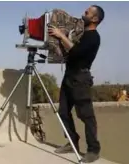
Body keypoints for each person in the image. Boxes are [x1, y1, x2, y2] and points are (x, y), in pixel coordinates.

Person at [48, 5, 105, 163]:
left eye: (87, 13)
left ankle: (93, 150)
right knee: (63, 113)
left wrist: (60, 35)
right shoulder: (82, 34)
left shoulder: (93, 37)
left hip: (80, 78)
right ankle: (72, 141)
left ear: (95, 19)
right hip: (69, 76)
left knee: (86, 116)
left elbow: (76, 52)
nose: (83, 14)